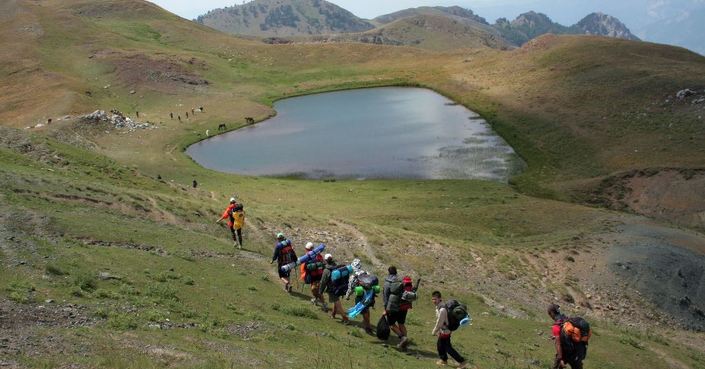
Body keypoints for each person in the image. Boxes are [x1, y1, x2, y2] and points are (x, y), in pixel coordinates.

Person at [431, 291, 468, 368]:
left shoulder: (442, 309)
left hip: (445, 330)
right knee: (441, 345)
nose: (434, 301)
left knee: (447, 347)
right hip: (445, 329)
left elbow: (440, 322)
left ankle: (462, 361)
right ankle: (444, 360)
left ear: (440, 299)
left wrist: (434, 331)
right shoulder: (441, 307)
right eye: (433, 299)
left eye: (435, 299)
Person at [383, 266, 413, 350]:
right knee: (401, 323)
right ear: (396, 272)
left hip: (393, 306)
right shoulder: (401, 280)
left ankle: (403, 338)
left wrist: (385, 308)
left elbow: (386, 296)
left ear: (388, 272)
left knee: (391, 324)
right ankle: (405, 343)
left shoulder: (388, 282)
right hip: (404, 307)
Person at [549, 304, 587, 369]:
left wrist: (560, 358)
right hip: (578, 352)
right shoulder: (567, 319)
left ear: (552, 313)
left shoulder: (556, 326)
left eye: (549, 314)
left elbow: (558, 344)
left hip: (566, 353)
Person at [346, 259, 377, 335]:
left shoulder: (353, 277)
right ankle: (367, 323)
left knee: (363, 310)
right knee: (366, 309)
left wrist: (347, 296)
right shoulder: (367, 273)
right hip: (371, 295)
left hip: (361, 296)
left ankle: (368, 327)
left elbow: (351, 288)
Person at [319, 254, 349, 323]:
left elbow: (323, 282)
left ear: (326, 260)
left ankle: (345, 318)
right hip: (339, 287)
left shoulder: (326, 270)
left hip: (332, 289)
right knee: (335, 300)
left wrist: (320, 291)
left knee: (337, 302)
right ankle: (333, 314)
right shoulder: (337, 266)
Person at [301, 242, 327, 311]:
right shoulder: (318, 255)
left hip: (318, 276)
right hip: (314, 276)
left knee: (315, 290)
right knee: (314, 290)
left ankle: (324, 304)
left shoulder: (308, 256)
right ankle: (315, 299)